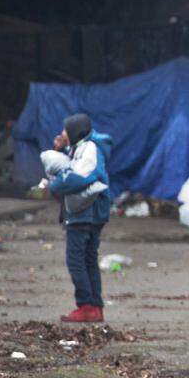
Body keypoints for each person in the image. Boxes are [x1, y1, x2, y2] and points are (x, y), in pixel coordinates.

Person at [49, 114, 113, 323]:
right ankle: (95, 307)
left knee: (76, 260)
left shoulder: (90, 148)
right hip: (90, 212)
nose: (63, 134)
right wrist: (61, 149)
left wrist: (55, 186)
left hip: (85, 212)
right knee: (88, 259)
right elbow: (74, 164)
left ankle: (86, 305)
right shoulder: (82, 147)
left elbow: (81, 176)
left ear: (75, 131)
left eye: (66, 130)